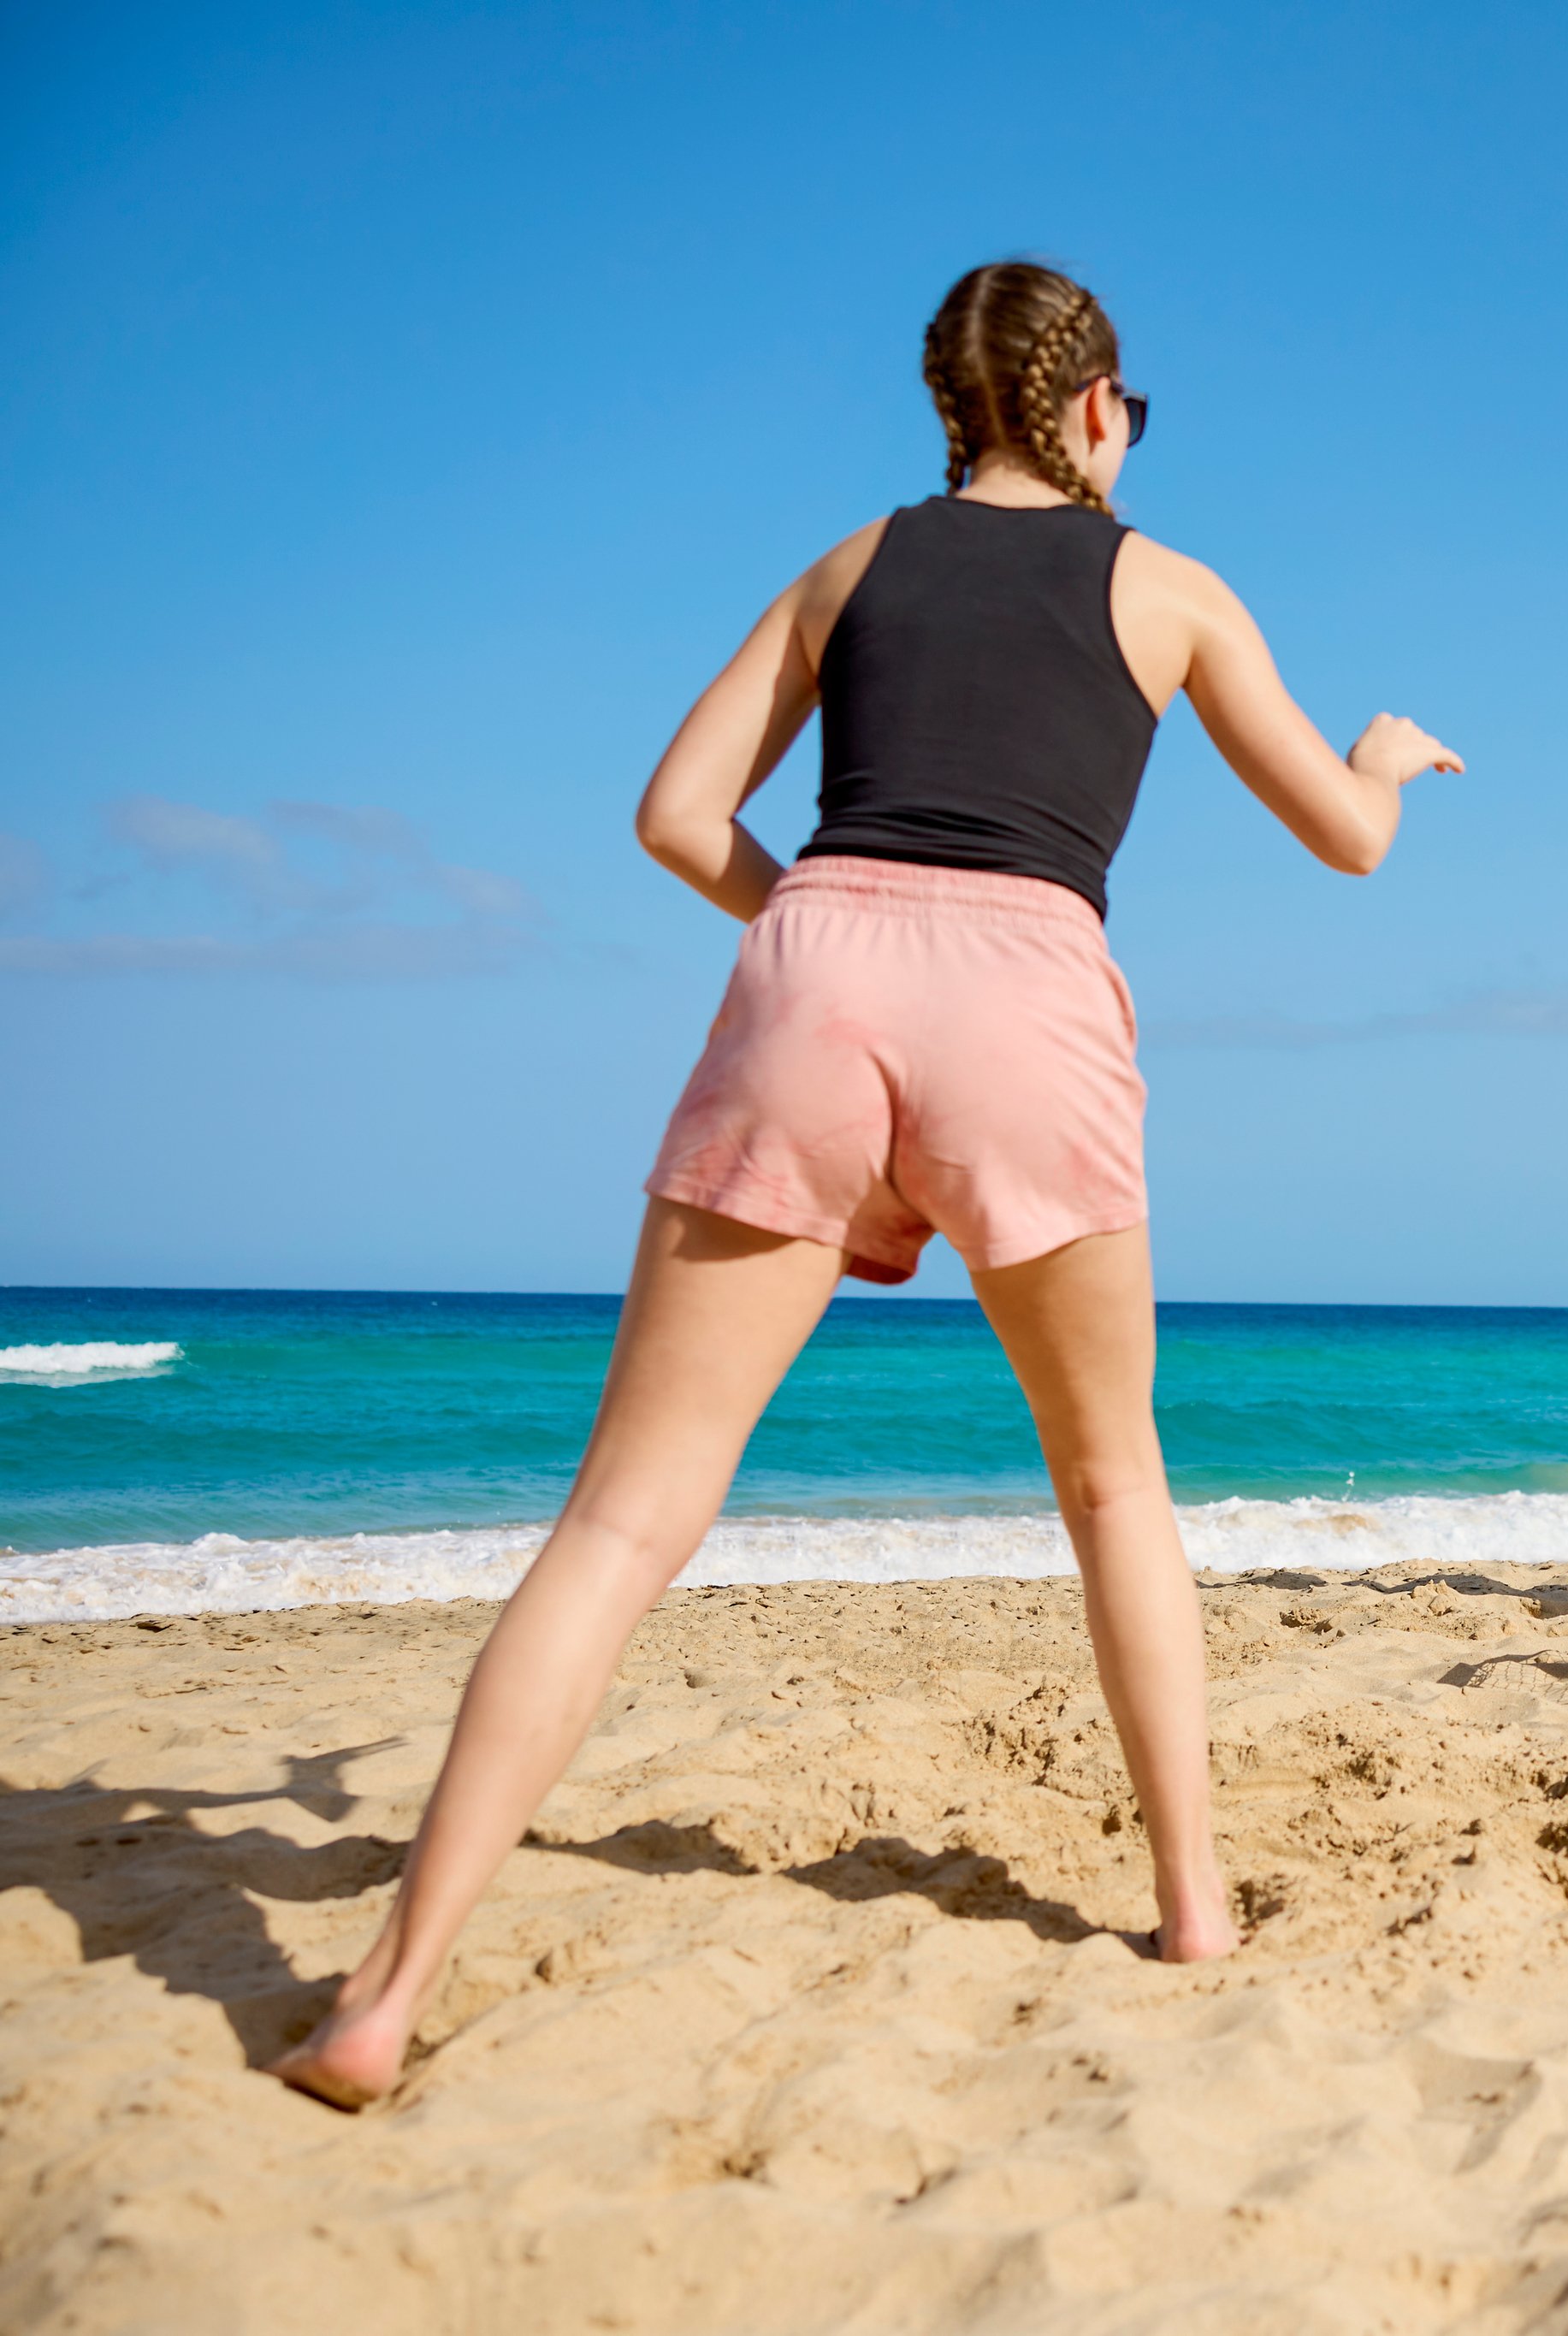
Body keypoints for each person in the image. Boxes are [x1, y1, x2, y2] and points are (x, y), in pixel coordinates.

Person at [269, 260, 1465, 2108]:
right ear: (1096, 409)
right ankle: (1193, 1907)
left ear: (950, 413)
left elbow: (676, 816)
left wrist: (825, 936)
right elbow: (1351, 840)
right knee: (1111, 1477)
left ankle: (383, 1994)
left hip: (813, 972)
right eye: (1133, 416)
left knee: (623, 1519)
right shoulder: (1168, 587)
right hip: (1031, 993)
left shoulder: (848, 568)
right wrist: (1383, 758)